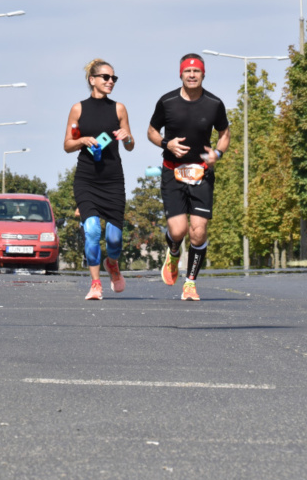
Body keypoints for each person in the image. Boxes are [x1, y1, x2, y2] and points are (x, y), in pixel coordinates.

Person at [147, 53, 230, 301]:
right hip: (173, 171)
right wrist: (167, 143)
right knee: (178, 230)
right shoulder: (167, 102)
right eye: (187, 71)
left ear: (203, 74)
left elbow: (224, 134)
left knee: (198, 231)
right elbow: (151, 131)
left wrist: (217, 153)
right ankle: (174, 251)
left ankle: (190, 282)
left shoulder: (214, 104)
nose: (192, 75)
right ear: (180, 74)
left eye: (196, 71)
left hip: (201, 172)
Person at [64, 59, 134, 300]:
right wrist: (82, 140)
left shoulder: (119, 109)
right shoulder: (78, 109)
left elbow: (130, 145)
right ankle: (95, 284)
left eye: (114, 78)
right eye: (106, 77)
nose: (111, 81)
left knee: (114, 239)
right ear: (92, 80)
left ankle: (112, 263)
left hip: (113, 180)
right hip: (86, 179)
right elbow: (67, 144)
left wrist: (127, 137)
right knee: (92, 231)